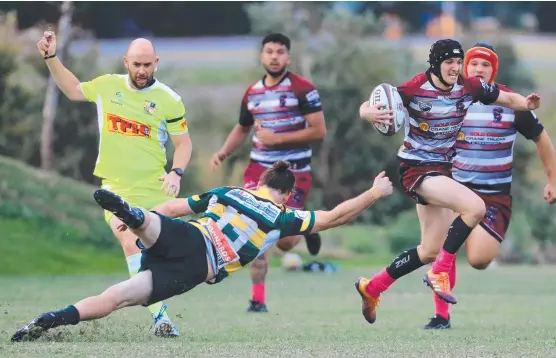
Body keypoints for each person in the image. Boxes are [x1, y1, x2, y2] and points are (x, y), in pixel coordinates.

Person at [11, 161, 394, 342]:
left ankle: (132, 214)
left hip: (189, 235)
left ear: (259, 181)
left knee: (155, 228)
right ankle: (50, 319)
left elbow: (177, 207)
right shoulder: (282, 216)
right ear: (289, 194)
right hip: (197, 266)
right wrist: (374, 194)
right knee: (119, 299)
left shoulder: (230, 192)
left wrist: (142, 220)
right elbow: (333, 217)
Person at [356, 39, 541, 324]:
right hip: (415, 170)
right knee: (475, 207)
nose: (456, 68)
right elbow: (371, 104)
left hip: (442, 170)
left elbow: (509, 99)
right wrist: (367, 112)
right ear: (435, 64)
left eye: (458, 62)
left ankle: (373, 287)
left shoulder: (469, 87)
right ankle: (441, 271)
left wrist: (526, 103)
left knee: (429, 249)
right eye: (449, 63)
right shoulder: (414, 88)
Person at [36, 31, 193, 336]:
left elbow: (184, 145)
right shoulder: (108, 86)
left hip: (154, 189)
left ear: (156, 63)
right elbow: (72, 89)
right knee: (130, 240)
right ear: (126, 62)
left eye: (148, 64)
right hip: (116, 190)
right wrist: (50, 57)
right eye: (136, 64)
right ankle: (161, 318)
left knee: (157, 252)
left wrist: (176, 172)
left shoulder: (169, 100)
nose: (142, 70)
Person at [423, 43, 556, 329]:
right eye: (473, 64)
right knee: (443, 248)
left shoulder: (511, 102)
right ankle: (440, 317)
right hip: (457, 188)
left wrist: (553, 180)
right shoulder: (454, 98)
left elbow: (541, 137)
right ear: (464, 68)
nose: (479, 69)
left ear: (494, 71)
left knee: (479, 259)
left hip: (494, 196)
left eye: (485, 65)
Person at [209, 33, 327, 312]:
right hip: (259, 169)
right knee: (254, 226)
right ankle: (257, 299)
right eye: (269, 51)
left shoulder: (303, 89)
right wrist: (225, 151)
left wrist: (277, 139)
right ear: (262, 56)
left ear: (288, 57)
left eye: (280, 52)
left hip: (294, 171)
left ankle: (305, 229)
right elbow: (242, 127)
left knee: (285, 243)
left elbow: (318, 130)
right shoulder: (252, 93)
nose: (274, 57)